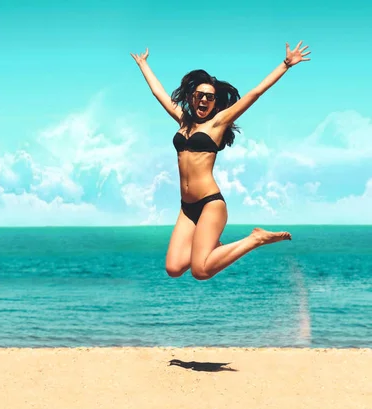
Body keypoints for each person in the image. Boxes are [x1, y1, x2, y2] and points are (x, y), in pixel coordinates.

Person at [130, 41, 311, 280]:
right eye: (199, 96)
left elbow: (254, 94)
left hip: (210, 204)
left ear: (215, 103)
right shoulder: (183, 121)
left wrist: (285, 65)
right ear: (192, 98)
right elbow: (158, 93)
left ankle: (254, 239)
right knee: (173, 269)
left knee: (200, 271)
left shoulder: (217, 124)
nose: (204, 100)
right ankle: (212, 247)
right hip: (187, 208)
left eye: (209, 97)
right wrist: (143, 65)